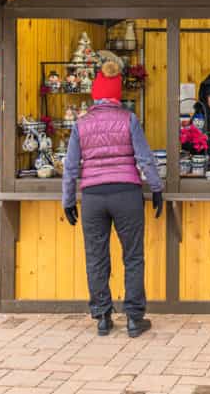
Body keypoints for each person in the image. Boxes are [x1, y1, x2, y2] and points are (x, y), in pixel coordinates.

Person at [62, 54, 164, 339]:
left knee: (96, 257)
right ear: (118, 94)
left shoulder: (80, 124)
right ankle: (133, 318)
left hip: (93, 196)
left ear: (95, 94)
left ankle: (103, 317)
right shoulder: (128, 119)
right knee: (132, 256)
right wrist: (156, 188)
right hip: (126, 193)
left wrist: (68, 200)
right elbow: (145, 159)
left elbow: (71, 167)